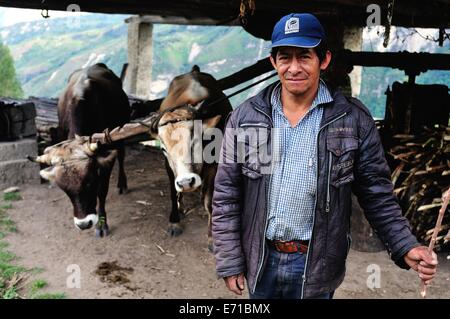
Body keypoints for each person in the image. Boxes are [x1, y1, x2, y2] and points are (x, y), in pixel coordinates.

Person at [211, 13, 438, 299]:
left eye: (304, 57)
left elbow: (377, 195)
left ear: (324, 60)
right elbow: (227, 195)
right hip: (261, 260)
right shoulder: (246, 117)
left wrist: (405, 245)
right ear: (273, 62)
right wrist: (230, 259)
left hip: (315, 262)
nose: (294, 68)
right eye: (285, 57)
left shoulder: (353, 120)